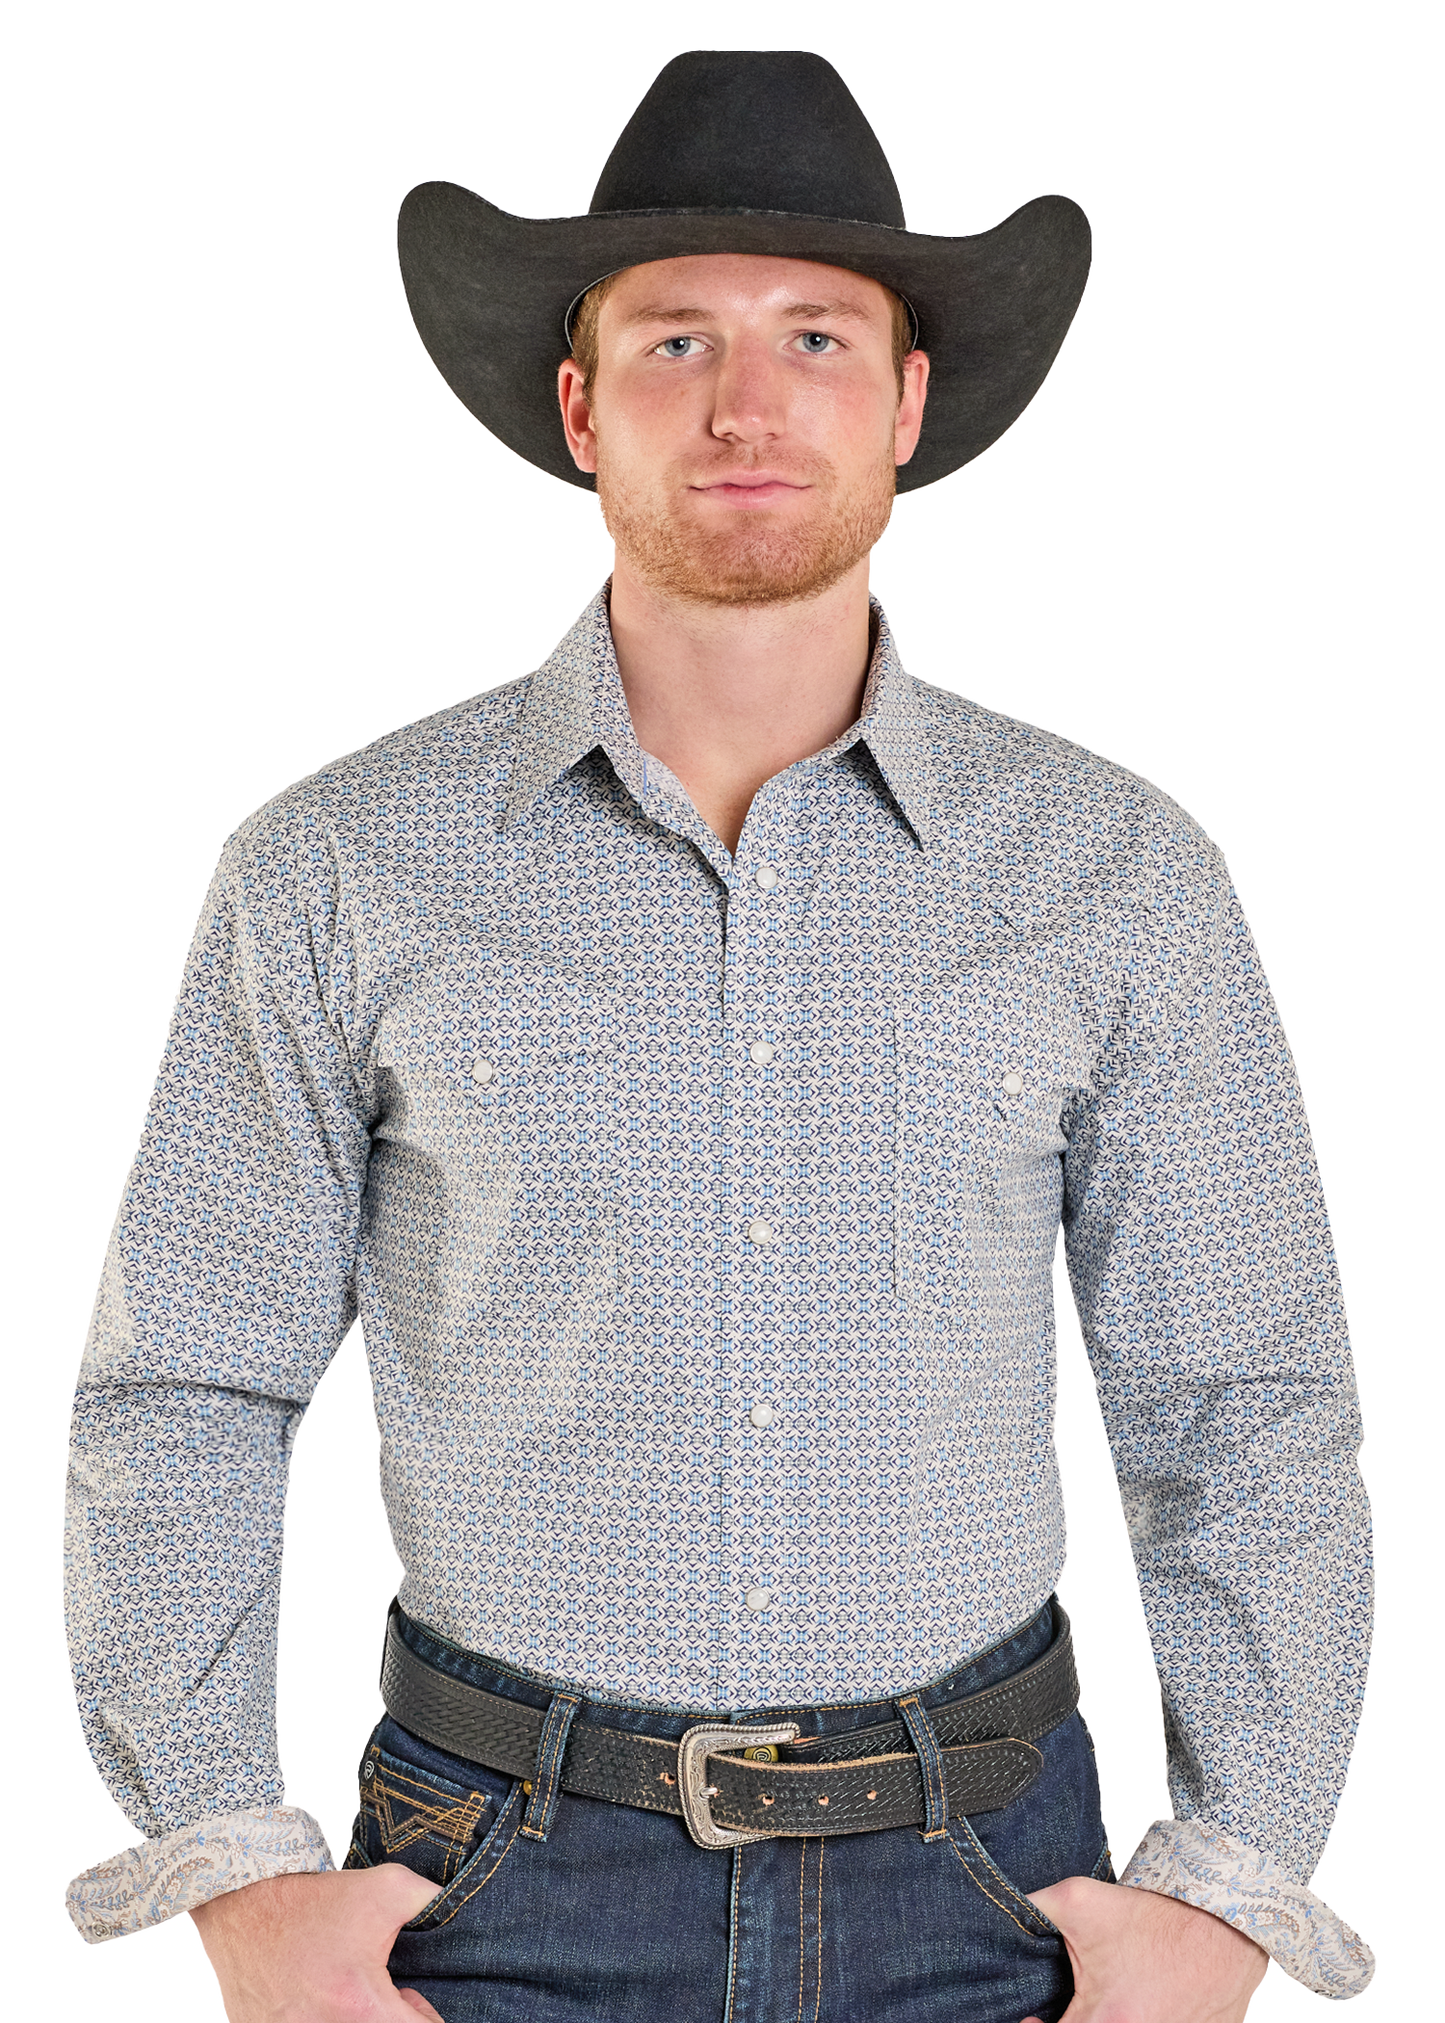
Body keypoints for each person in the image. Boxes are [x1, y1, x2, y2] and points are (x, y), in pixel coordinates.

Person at [60, 46, 1378, 2023]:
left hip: (991, 1888)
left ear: (907, 404)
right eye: (674, 338)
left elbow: (1247, 1417)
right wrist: (236, 1871)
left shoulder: (1112, 872)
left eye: (816, 338)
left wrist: (1232, 1882)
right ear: (579, 406)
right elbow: (186, 1392)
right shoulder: (331, 869)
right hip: (476, 1893)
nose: (747, 403)